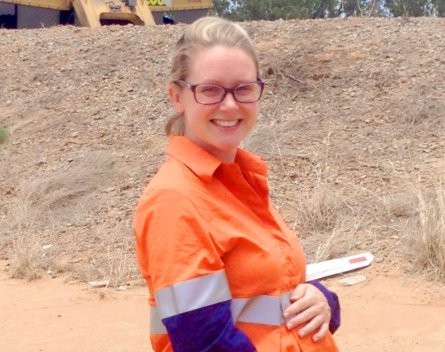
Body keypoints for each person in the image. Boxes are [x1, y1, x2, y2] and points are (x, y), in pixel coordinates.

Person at [134, 16, 340, 352]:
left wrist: (323, 299)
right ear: (176, 96)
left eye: (243, 88)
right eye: (210, 89)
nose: (230, 105)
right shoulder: (175, 199)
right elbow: (204, 341)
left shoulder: (241, 182)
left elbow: (266, 288)